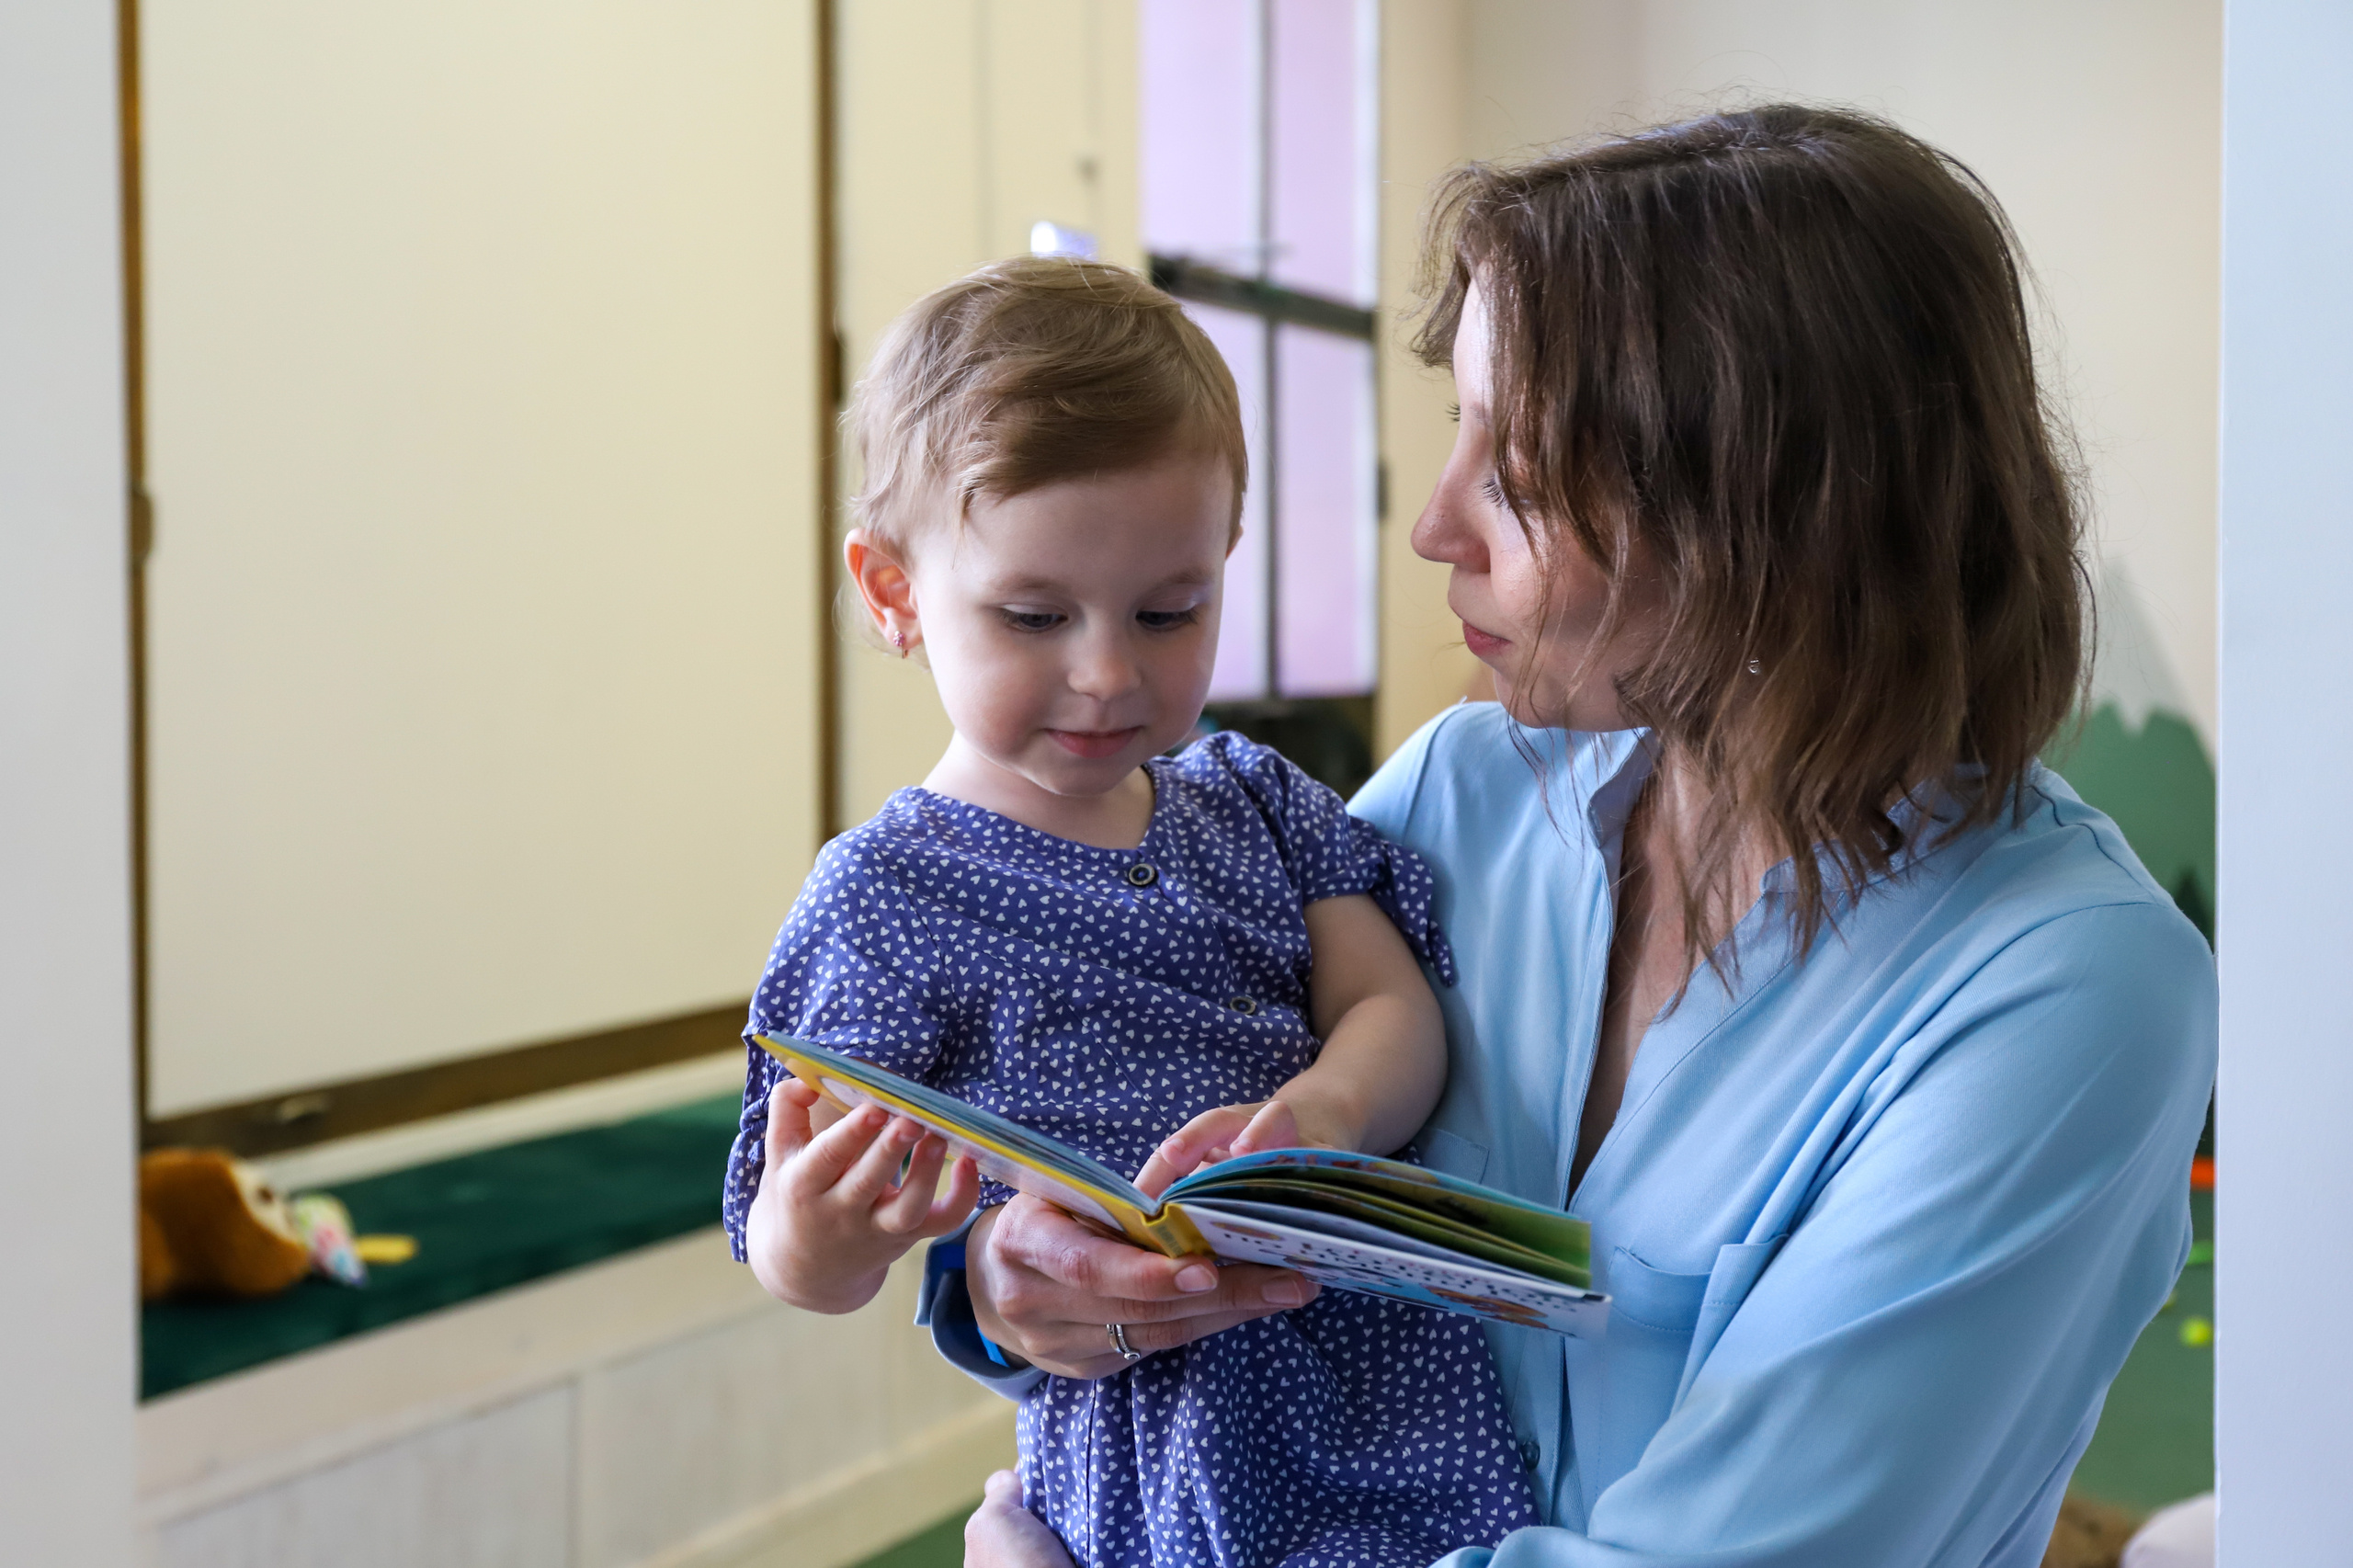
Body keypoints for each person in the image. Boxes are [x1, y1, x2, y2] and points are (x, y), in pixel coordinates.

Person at [952, 108, 2218, 1567]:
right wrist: (1016, 1279)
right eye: (1456, 437)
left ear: (1769, 505)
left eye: (1521, 470)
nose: (1434, 527)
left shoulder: (2068, 993)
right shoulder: (1454, 798)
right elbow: (1151, 1173)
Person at [722, 256, 1540, 1568]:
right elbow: (795, 1240)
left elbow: (1391, 1004)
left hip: (1383, 1375)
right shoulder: (885, 895)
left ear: (1225, 561)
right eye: (1033, 615)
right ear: (893, 595)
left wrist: (1324, 1114)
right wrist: (819, 1238)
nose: (1108, 674)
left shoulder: (1252, 797)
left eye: (1171, 611)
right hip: (1150, 1420)